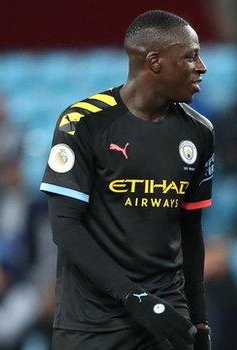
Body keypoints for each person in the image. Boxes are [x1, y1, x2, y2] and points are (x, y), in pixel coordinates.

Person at [39, 10, 213, 350]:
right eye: (190, 57)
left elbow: (191, 232)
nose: (201, 67)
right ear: (155, 61)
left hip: (167, 318)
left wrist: (201, 321)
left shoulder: (199, 132)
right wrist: (136, 298)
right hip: (92, 322)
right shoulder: (83, 122)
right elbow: (65, 227)